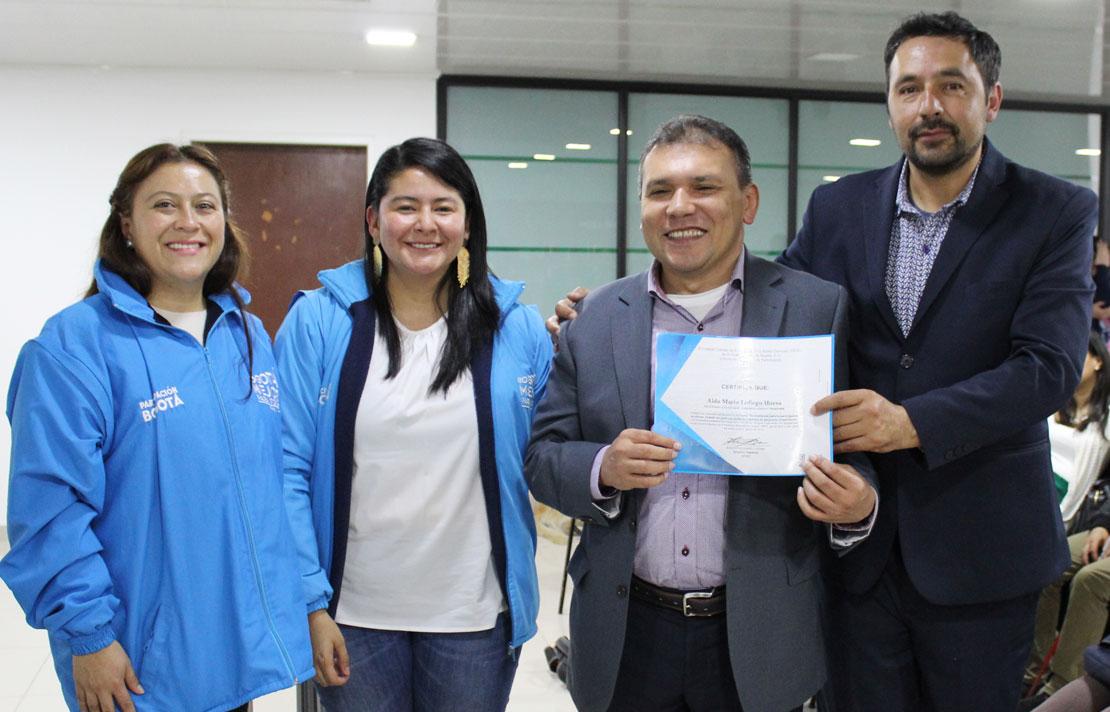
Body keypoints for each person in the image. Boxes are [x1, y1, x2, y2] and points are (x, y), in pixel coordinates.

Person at [778, 11, 1098, 711]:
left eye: (952, 86)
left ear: (993, 99)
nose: (930, 106)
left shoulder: (1056, 210)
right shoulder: (836, 208)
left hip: (982, 555)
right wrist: (648, 307)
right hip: (854, 548)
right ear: (889, 103)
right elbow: (773, 312)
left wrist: (910, 422)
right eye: (909, 88)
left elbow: (1045, 366)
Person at [525, 115, 877, 712]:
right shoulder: (597, 319)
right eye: (660, 190)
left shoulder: (817, 308)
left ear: (748, 202)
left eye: (704, 187)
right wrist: (604, 468)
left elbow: (858, 453)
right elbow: (543, 457)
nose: (679, 207)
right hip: (627, 628)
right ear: (641, 206)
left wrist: (857, 506)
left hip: (760, 632)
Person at [0, 144, 313, 712]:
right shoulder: (75, 346)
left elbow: (268, 492)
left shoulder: (245, 334)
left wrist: (306, 603)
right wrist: (88, 636)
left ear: (224, 221)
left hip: (232, 657)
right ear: (126, 223)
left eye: (205, 206)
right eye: (164, 205)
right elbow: (49, 512)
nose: (188, 222)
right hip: (138, 666)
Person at [276, 137, 552, 711]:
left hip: (474, 616)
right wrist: (308, 602)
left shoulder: (515, 329)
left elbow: (553, 445)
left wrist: (591, 337)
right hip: (351, 617)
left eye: (444, 207)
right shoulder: (319, 322)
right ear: (374, 220)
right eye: (406, 206)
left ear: (468, 223)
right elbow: (286, 469)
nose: (425, 224)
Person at [1022, 332, 1110, 709]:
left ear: (1098, 361)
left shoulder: (1106, 417)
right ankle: (1031, 672)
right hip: (1053, 502)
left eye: (1083, 352)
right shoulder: (1052, 399)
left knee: (1088, 577)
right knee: (1048, 566)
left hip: (1077, 513)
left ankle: (1063, 680)